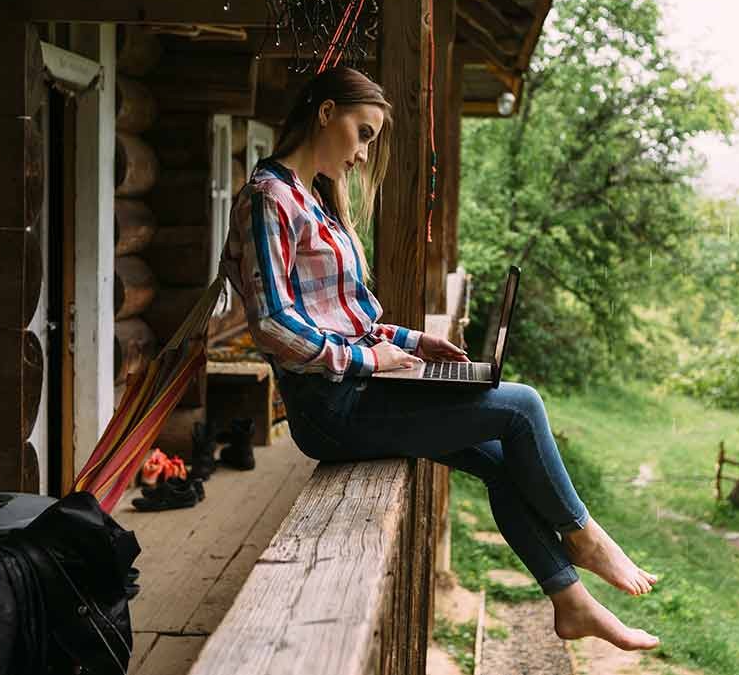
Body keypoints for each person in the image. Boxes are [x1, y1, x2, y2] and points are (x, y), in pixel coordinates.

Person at [222, 66, 660, 651]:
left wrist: (410, 343)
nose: (362, 153)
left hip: (359, 389)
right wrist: (372, 363)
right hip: (333, 406)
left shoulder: (313, 199)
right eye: (364, 132)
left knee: (508, 460)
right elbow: (274, 325)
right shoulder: (268, 199)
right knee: (522, 406)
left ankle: (570, 601)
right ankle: (582, 536)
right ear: (325, 113)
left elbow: (342, 316)